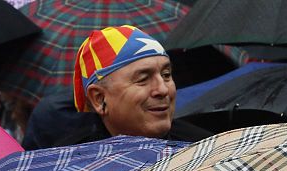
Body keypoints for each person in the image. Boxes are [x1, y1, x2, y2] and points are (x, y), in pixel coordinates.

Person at [22, 25, 212, 150]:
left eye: (166, 75)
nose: (162, 90)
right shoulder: (71, 164)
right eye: (143, 79)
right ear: (98, 99)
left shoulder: (205, 149)